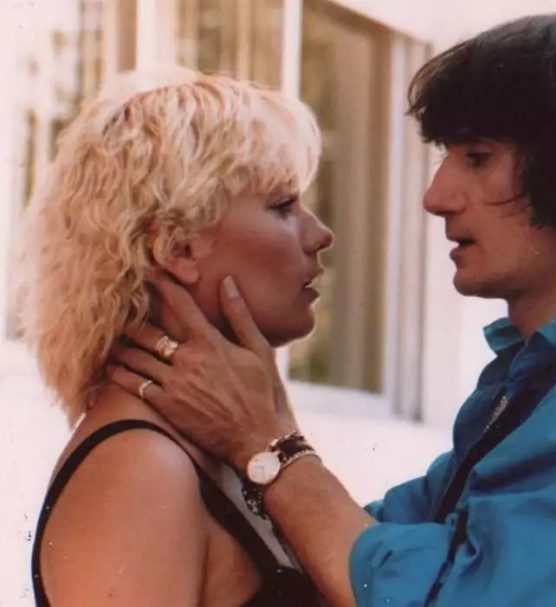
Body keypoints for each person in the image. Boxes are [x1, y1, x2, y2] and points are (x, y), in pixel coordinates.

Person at [109, 7, 556, 607]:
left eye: (477, 158)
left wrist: (265, 443)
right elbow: (382, 547)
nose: (436, 196)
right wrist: (269, 433)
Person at [22, 67, 332, 605]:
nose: (319, 235)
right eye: (283, 207)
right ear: (177, 249)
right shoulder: (139, 466)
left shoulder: (204, 447)